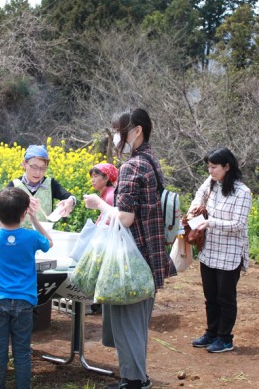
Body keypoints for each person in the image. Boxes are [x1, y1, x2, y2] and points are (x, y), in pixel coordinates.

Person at [84, 108, 177, 389]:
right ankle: (136, 378)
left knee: (129, 322)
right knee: (134, 321)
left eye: (119, 130)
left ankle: (135, 382)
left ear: (137, 131)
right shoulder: (151, 160)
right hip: (149, 252)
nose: (115, 136)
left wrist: (99, 204)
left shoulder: (132, 166)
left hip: (133, 257)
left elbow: (125, 217)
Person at [0, 187, 53, 389]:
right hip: (24, 301)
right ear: (23, 213)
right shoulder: (31, 237)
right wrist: (35, 219)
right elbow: (50, 242)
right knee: (22, 352)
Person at [188, 148, 251, 353]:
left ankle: (225, 338)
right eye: (208, 166)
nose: (210, 171)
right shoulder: (212, 183)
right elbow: (199, 196)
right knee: (211, 296)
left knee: (226, 297)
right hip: (210, 249)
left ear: (227, 166)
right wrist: (195, 209)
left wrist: (210, 223)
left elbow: (239, 224)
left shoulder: (243, 192)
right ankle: (212, 333)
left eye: (214, 167)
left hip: (230, 252)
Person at [7, 145, 77, 228]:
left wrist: (71, 201)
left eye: (43, 168)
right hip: (18, 236)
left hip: (43, 236)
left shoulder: (50, 184)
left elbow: (69, 196)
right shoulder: (14, 185)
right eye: (34, 167)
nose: (38, 172)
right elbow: (2, 206)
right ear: (24, 164)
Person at [86, 162, 118, 315]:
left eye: (96, 176)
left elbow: (110, 219)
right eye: (92, 177)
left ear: (106, 178)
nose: (92, 180)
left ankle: (97, 304)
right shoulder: (106, 193)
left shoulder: (110, 195)